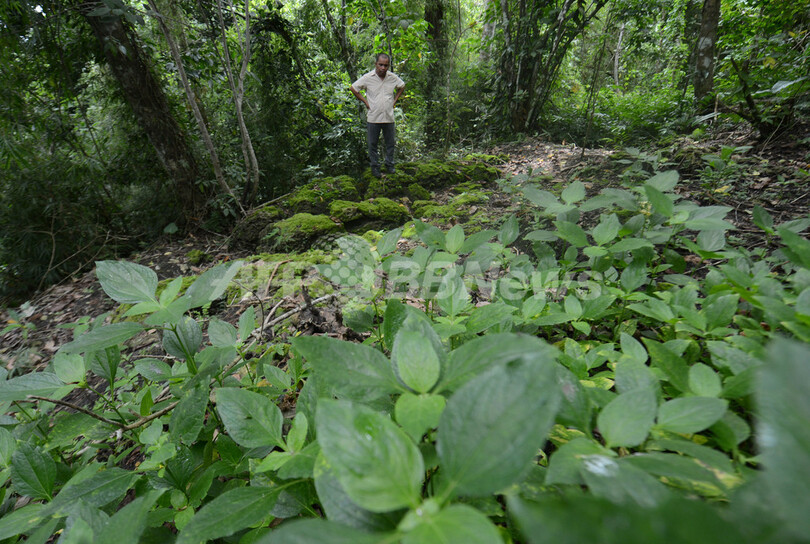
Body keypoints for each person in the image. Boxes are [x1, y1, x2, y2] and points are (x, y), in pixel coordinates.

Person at [350, 53, 406, 177]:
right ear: (376, 64)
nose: (383, 68)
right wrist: (365, 102)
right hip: (373, 117)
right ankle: (375, 168)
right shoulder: (368, 78)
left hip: (388, 117)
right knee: (372, 144)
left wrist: (395, 100)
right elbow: (354, 88)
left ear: (388, 66)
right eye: (380, 65)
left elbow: (402, 86)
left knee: (390, 143)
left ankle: (389, 165)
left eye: (385, 65)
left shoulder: (392, 78)